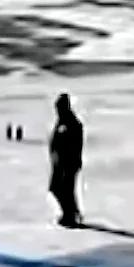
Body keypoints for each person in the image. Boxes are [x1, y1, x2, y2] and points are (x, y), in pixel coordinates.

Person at [49, 92, 84, 228]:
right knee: (58, 188)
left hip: (68, 163)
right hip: (59, 162)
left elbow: (75, 142)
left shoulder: (72, 122)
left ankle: (70, 215)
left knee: (64, 189)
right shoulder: (62, 120)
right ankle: (71, 212)